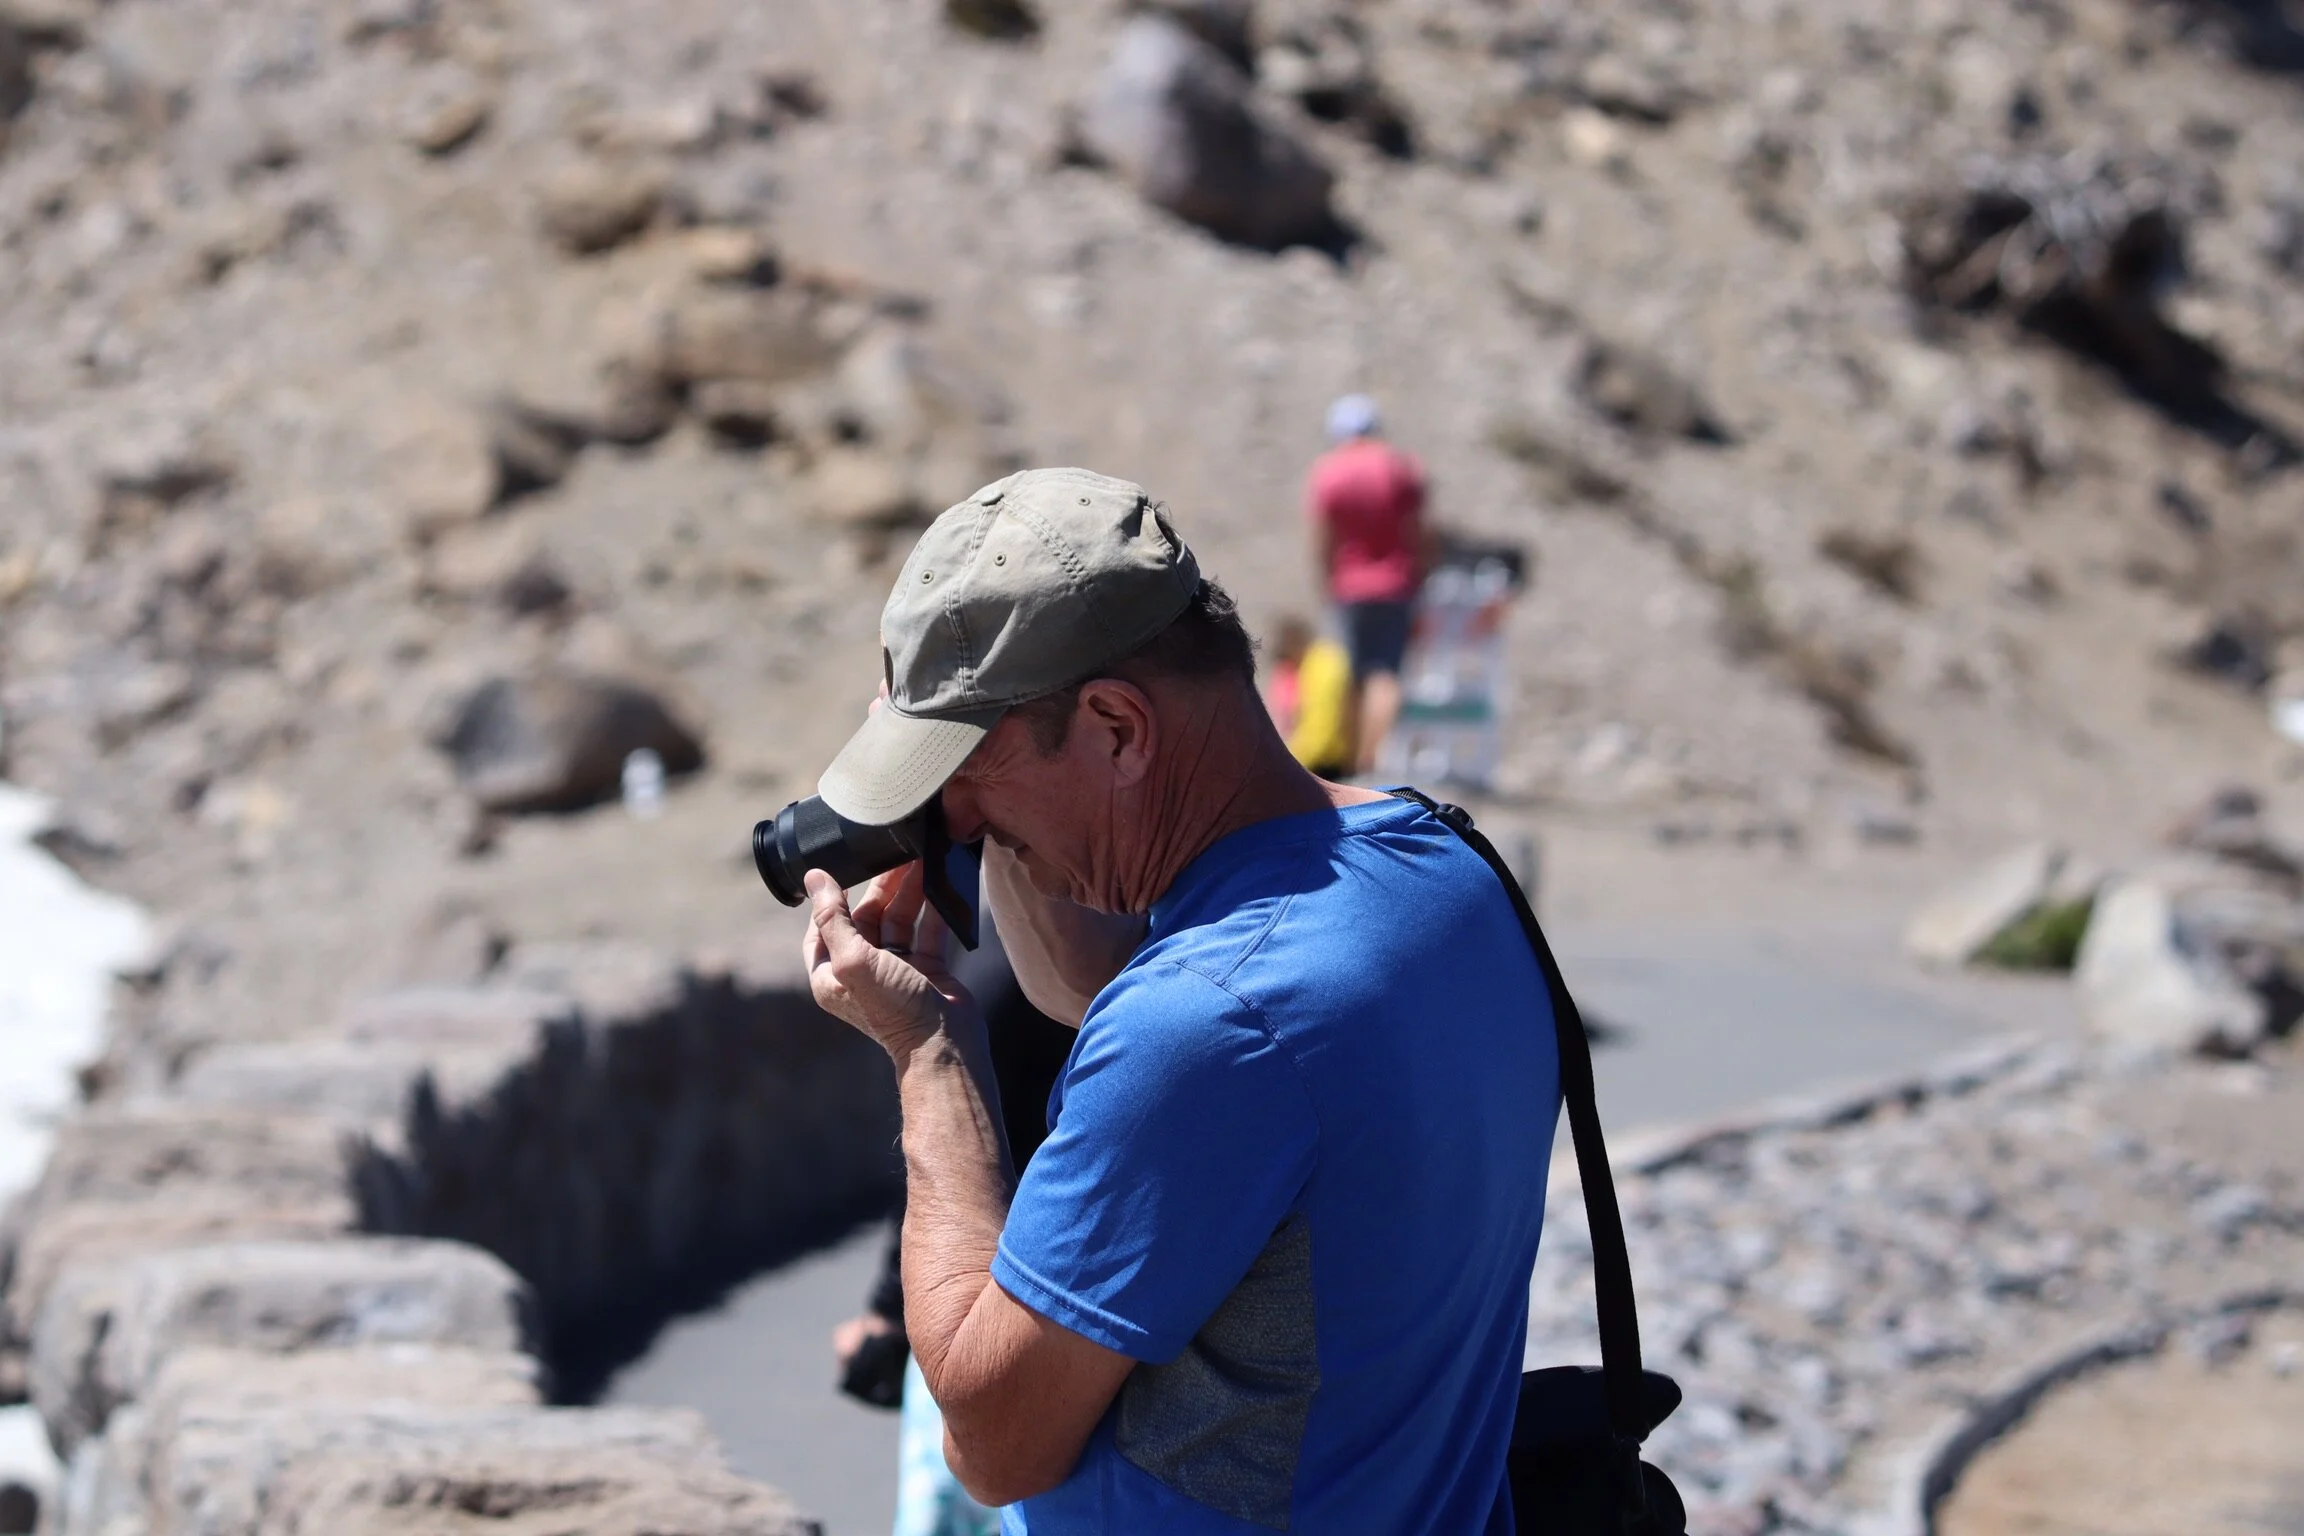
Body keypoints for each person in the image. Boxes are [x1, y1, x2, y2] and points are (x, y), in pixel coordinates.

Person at [797, 466, 1558, 1532]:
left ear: (1115, 725)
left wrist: (930, 1052)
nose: (954, 819)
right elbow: (1148, 1003)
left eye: (965, 765)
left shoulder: (1210, 1024)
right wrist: (986, 802)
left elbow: (991, 1440)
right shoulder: (1443, 878)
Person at [831, 907, 1077, 1536]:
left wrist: (889, 1310)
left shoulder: (1024, 951)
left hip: (1001, 1291)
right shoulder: (1130, 930)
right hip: (1069, 1295)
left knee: (964, 1497)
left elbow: (944, 1151)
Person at [1304, 394, 1428, 773]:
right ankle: (1375, 758)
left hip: (1349, 585)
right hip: (1395, 582)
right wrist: (1422, 572)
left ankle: (1351, 755)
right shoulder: (1400, 467)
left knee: (1350, 672)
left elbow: (1323, 535)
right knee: (1385, 672)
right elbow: (1419, 530)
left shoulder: (1329, 471)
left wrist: (1325, 578)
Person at [1263, 615, 1357, 780]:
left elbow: (1320, 732)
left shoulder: (1324, 667)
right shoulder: (1312, 665)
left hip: (1325, 764)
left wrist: (1284, 761)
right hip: (1311, 757)